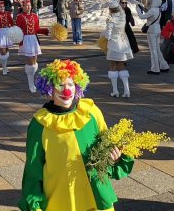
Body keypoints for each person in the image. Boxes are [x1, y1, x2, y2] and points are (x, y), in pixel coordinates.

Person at [20, 59, 133, 211]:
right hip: (60, 199)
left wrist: (115, 156)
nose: (67, 91)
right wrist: (34, 202)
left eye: (71, 84)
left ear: (78, 86)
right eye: (60, 85)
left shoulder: (91, 112)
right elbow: (33, 169)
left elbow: (108, 144)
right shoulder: (40, 124)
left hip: (95, 196)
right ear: (49, 89)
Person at [17, 0, 49, 93]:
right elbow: (17, 30)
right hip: (25, 40)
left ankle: (33, 80)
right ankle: (31, 84)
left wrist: (45, 31)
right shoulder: (20, 17)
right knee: (30, 63)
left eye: (29, 5)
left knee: (35, 63)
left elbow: (37, 29)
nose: (28, 7)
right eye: (26, 6)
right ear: (22, 7)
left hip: (34, 40)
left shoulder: (35, 16)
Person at [105, 0, 133, 98]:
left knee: (113, 67)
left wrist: (104, 35)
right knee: (122, 67)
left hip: (113, 44)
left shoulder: (110, 19)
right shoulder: (123, 16)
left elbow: (108, 34)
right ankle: (127, 90)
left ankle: (115, 91)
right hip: (123, 43)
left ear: (111, 9)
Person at [136, 0, 169, 75]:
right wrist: (143, 8)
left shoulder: (153, 10)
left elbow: (142, 16)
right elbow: (148, 13)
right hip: (157, 30)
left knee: (153, 50)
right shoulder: (158, 10)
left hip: (152, 31)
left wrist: (138, 9)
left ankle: (155, 68)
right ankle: (164, 65)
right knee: (157, 49)